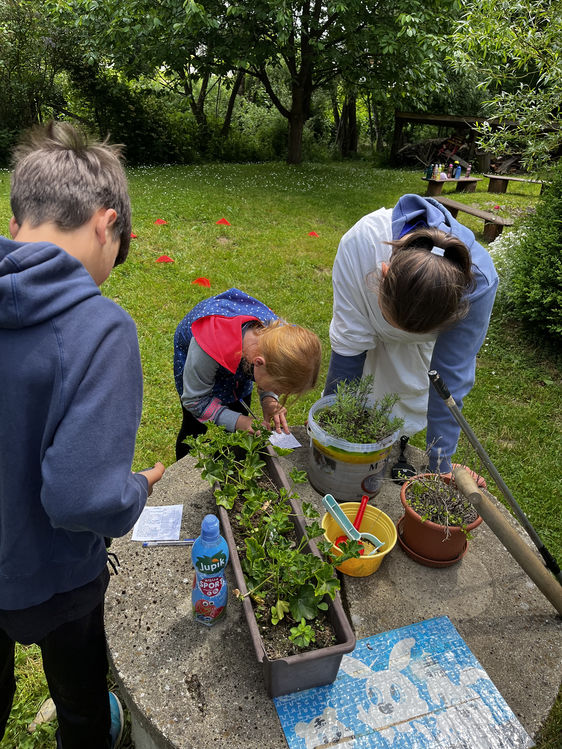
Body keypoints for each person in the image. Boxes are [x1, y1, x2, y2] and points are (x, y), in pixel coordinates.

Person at [0, 122, 165, 749]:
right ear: (106, 223)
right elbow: (81, 499)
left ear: (16, 222)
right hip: (59, 580)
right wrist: (137, 488)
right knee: (80, 701)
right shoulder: (100, 329)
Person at [325, 193, 498, 473]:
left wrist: (439, 467)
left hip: (418, 355)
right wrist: (332, 427)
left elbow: (449, 378)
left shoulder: (478, 285)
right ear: (383, 273)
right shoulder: (362, 243)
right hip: (370, 325)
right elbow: (349, 344)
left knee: (404, 405)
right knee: (359, 404)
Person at [174, 288, 322, 461]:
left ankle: (230, 458)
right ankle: (185, 465)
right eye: (277, 389)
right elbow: (195, 400)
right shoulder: (209, 346)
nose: (278, 393)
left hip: (240, 354)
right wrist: (240, 422)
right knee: (195, 427)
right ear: (258, 362)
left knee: (237, 408)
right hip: (203, 356)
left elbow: (271, 371)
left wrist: (269, 398)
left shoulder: (279, 340)